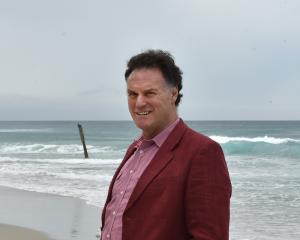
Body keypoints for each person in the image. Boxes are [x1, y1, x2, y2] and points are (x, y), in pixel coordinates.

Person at [100, 50, 232, 240]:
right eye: (132, 94)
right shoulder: (135, 150)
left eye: (149, 93)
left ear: (173, 93)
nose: (139, 103)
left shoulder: (202, 152)